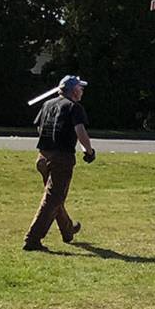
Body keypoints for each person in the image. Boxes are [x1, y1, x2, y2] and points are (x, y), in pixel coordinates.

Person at [23, 75, 96, 251]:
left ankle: (68, 230)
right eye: (80, 88)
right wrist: (89, 150)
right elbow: (80, 130)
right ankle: (32, 239)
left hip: (42, 156)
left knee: (55, 197)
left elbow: (39, 127)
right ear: (73, 90)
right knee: (52, 199)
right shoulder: (74, 107)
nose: (82, 91)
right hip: (61, 158)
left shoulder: (48, 104)